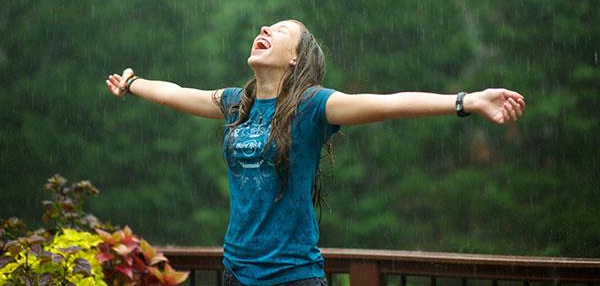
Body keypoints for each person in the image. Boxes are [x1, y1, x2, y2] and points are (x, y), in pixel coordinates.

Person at [106, 19, 526, 286]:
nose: (265, 30)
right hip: (236, 271)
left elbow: (390, 102)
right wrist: (132, 84)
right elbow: (177, 93)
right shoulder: (237, 102)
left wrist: (466, 101)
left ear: (295, 59)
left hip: (292, 277)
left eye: (281, 30)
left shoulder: (313, 106)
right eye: (265, 27)